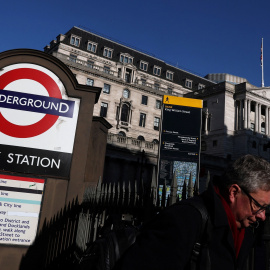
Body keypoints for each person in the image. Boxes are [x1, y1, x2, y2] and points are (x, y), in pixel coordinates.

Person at [114, 155, 270, 270]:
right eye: (258, 206)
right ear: (233, 192)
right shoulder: (184, 220)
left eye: (266, 209)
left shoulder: (248, 230)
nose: (262, 216)